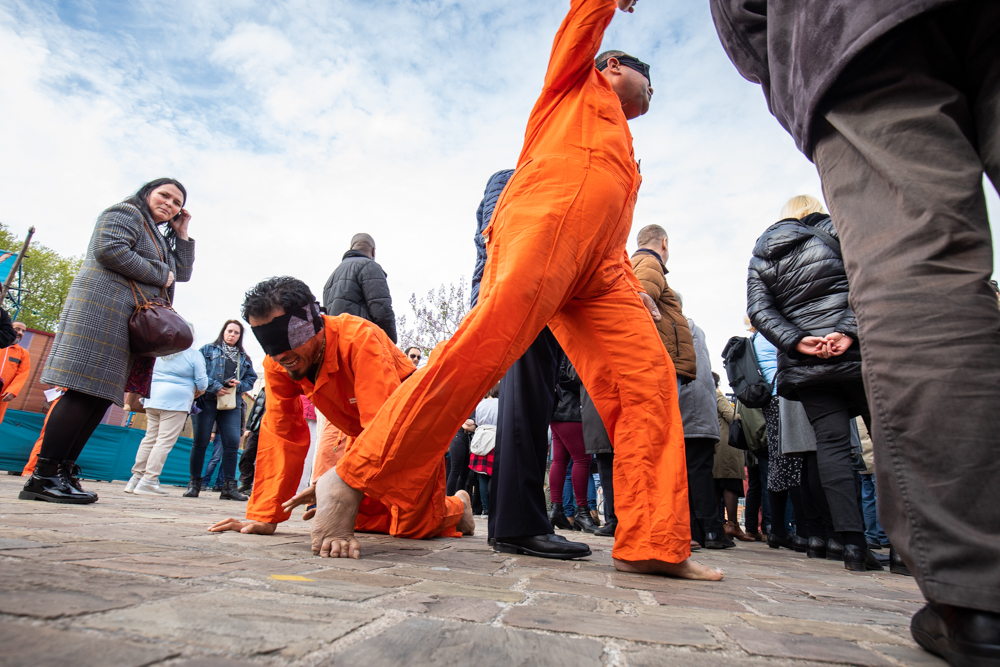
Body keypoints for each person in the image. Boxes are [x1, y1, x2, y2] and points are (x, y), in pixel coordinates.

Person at [309, 0, 719, 581]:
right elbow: (579, 23)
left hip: (602, 266)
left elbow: (606, 214)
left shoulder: (627, 147)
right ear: (612, 66)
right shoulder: (574, 85)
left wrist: (632, 280)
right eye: (644, 74)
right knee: (481, 351)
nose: (651, 89)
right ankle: (351, 479)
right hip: (542, 229)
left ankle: (654, 540)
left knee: (646, 380)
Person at [713, 2, 1000, 655]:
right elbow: (856, 290)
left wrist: (792, 75)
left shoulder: (769, 244)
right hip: (856, 346)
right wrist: (847, 333)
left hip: (846, 28)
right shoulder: (831, 234)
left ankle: (969, 591)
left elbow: (760, 307)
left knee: (839, 450)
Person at [208, 276, 474, 543]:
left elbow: (383, 424)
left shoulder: (360, 340)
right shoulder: (279, 363)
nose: (279, 356)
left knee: (412, 527)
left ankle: (458, 506)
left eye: (284, 338)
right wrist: (264, 515)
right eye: (268, 343)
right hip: (362, 438)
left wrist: (342, 482)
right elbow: (281, 433)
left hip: (406, 432)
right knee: (362, 520)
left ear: (310, 324)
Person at [22, 178, 194, 504]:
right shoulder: (126, 212)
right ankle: (43, 475)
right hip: (100, 312)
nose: (169, 204)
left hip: (123, 321)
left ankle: (63, 470)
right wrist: (161, 275)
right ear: (147, 193)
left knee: (99, 397)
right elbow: (109, 249)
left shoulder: (157, 234)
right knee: (82, 391)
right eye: (164, 196)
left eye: (176, 202)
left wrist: (181, 234)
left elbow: (180, 274)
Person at [747, 195, 879, 572]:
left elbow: (759, 310)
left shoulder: (763, 254)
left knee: (830, 448)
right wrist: (848, 332)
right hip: (858, 354)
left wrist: (797, 341)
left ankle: (853, 546)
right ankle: (904, 548)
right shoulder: (839, 228)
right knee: (887, 443)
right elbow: (870, 279)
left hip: (807, 365)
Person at [474, 168, 591, 559]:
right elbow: (498, 239)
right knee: (524, 410)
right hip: (520, 296)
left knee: (529, 408)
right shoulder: (519, 176)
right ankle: (518, 525)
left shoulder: (527, 176)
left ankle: (514, 523)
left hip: (527, 296)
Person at [126, 335, 208, 496]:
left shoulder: (158, 352)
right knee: (164, 440)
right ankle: (149, 480)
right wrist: (199, 391)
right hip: (176, 401)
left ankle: (136, 478)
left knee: (150, 438)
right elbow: (203, 382)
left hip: (152, 397)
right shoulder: (193, 354)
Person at [184, 320, 257, 501]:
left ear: (240, 336)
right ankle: (194, 485)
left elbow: (251, 378)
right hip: (208, 400)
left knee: (232, 443)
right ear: (223, 332)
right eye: (229, 331)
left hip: (231, 403)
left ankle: (229, 488)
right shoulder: (207, 350)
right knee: (200, 441)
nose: (232, 335)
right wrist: (215, 386)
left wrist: (240, 386)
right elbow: (198, 374)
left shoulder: (244, 357)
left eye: (236, 333)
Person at [678, 317, 731, 550]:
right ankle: (709, 531)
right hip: (701, 412)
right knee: (700, 473)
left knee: (687, 474)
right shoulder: (693, 329)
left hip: (684, 410)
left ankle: (701, 530)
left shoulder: (675, 327)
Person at [630, 225, 696, 384]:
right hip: (659, 364)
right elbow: (640, 305)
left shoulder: (632, 265)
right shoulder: (650, 262)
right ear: (664, 243)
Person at [547, 351, 595, 533]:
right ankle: (583, 513)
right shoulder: (570, 345)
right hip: (571, 409)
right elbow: (566, 375)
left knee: (560, 461)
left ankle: (556, 510)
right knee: (582, 460)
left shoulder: (558, 345)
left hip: (559, 406)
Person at [322, 233, 397, 343]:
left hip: (336, 344)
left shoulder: (331, 278)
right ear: (373, 251)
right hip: (360, 343)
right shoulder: (370, 266)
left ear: (351, 248)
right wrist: (391, 342)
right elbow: (381, 310)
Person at [713, 373, 750, 542]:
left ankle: (720, 524)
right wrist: (747, 419)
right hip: (727, 447)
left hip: (716, 447)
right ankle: (732, 524)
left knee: (718, 487)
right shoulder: (718, 396)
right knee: (730, 484)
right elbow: (731, 416)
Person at [581, 385, 616, 537]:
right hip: (598, 408)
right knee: (605, 468)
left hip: (604, 406)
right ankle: (613, 520)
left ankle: (614, 519)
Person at [467, 385, 500, 517]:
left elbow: (477, 422)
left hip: (480, 437)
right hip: (495, 437)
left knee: (481, 476)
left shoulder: (480, 404)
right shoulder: (501, 403)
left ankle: (485, 510)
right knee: (494, 474)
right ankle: (493, 508)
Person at [238, 379, 266, 494]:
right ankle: (245, 483)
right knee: (247, 455)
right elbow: (255, 409)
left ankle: (259, 486)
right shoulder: (264, 390)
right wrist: (249, 427)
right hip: (256, 428)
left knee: (263, 460)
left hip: (270, 429)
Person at [0, 321, 30, 427]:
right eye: (17, 329)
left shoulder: (23, 353)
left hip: (2, 396)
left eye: (23, 331)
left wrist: (13, 391)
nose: (20, 333)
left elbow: (22, 374)